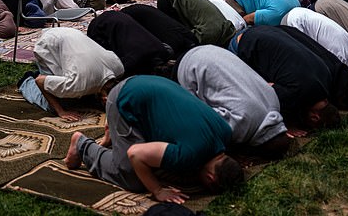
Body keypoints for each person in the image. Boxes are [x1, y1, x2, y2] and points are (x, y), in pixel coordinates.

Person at [64, 75, 244, 203]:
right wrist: (157, 191)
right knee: (131, 176)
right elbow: (136, 154)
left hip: (150, 84)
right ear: (210, 178)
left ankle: (113, 133)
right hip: (123, 99)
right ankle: (82, 145)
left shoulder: (225, 134)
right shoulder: (189, 155)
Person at [177, 45, 290, 158]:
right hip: (189, 66)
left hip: (212, 52)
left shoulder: (275, 103)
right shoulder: (241, 126)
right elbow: (205, 120)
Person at [17, 27, 125, 121]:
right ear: (105, 100)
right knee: (54, 102)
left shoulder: (119, 68)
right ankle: (26, 82)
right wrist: (61, 111)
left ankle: (51, 79)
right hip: (48, 44)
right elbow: (39, 81)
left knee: (74, 93)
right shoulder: (78, 86)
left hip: (69, 33)